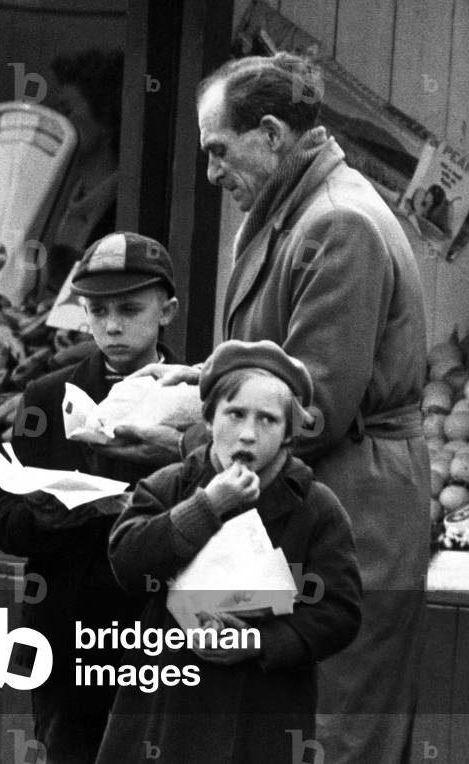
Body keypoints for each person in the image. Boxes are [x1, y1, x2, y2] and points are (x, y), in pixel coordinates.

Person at [131, 53, 430, 762]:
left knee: (334, 723)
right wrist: (194, 378)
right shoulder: (288, 212)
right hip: (300, 495)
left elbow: (313, 405)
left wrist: (173, 434)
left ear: (269, 132)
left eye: (219, 152)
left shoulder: (336, 223)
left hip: (356, 505)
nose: (211, 175)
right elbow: (270, 358)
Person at [96, 339, 361, 764]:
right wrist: (207, 507)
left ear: (290, 432)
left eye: (269, 420)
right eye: (235, 413)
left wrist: (260, 641)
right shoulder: (170, 486)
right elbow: (128, 563)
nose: (248, 434)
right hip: (166, 706)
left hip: (263, 709)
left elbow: (340, 613)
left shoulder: (315, 507)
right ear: (208, 417)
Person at [0, 231, 180, 762]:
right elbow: (1, 520)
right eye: (97, 310)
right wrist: (40, 513)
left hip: (158, 632)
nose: (112, 325)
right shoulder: (47, 397)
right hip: (63, 636)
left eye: (130, 309)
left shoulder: (195, 398)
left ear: (167, 312)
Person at [46, 49, 124, 291]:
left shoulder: (127, 208)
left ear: (107, 116)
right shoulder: (55, 200)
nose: (56, 123)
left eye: (67, 111)